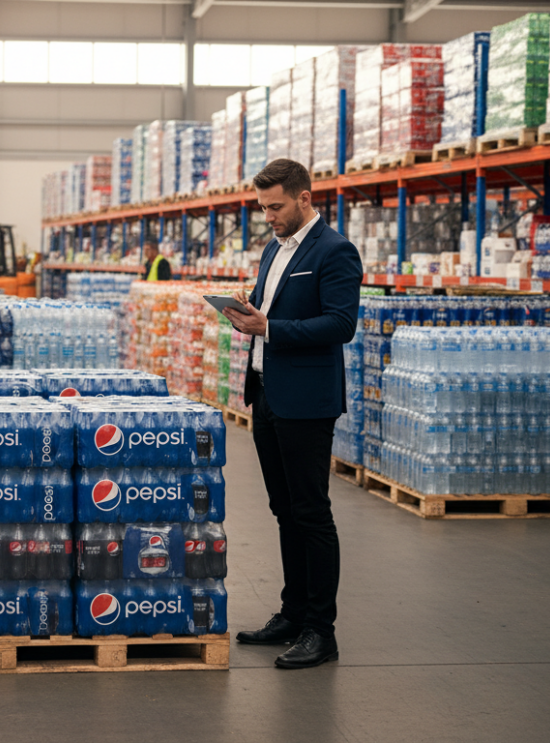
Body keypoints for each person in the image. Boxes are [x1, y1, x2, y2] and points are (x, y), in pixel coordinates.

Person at [220, 158, 362, 670]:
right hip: (268, 393)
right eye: (263, 208)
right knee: (284, 511)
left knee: (311, 512)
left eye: (276, 207)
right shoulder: (272, 251)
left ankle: (321, 630)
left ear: (305, 198)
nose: (269, 216)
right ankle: (293, 611)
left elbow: (340, 324)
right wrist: (247, 315)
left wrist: (271, 328)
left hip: (306, 401)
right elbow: (269, 312)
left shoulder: (335, 250)